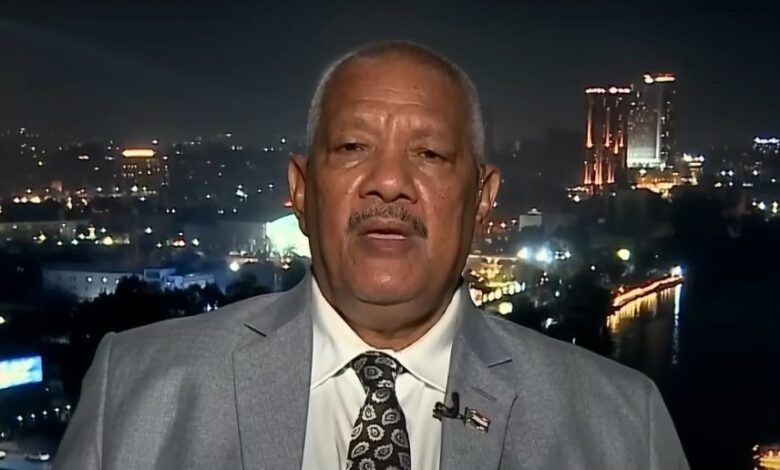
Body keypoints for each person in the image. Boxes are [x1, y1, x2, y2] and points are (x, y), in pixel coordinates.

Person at [54, 41, 689, 470]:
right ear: (300, 191)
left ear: (483, 201)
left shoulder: (621, 425)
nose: (389, 182)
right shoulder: (135, 390)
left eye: (429, 154)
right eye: (353, 148)